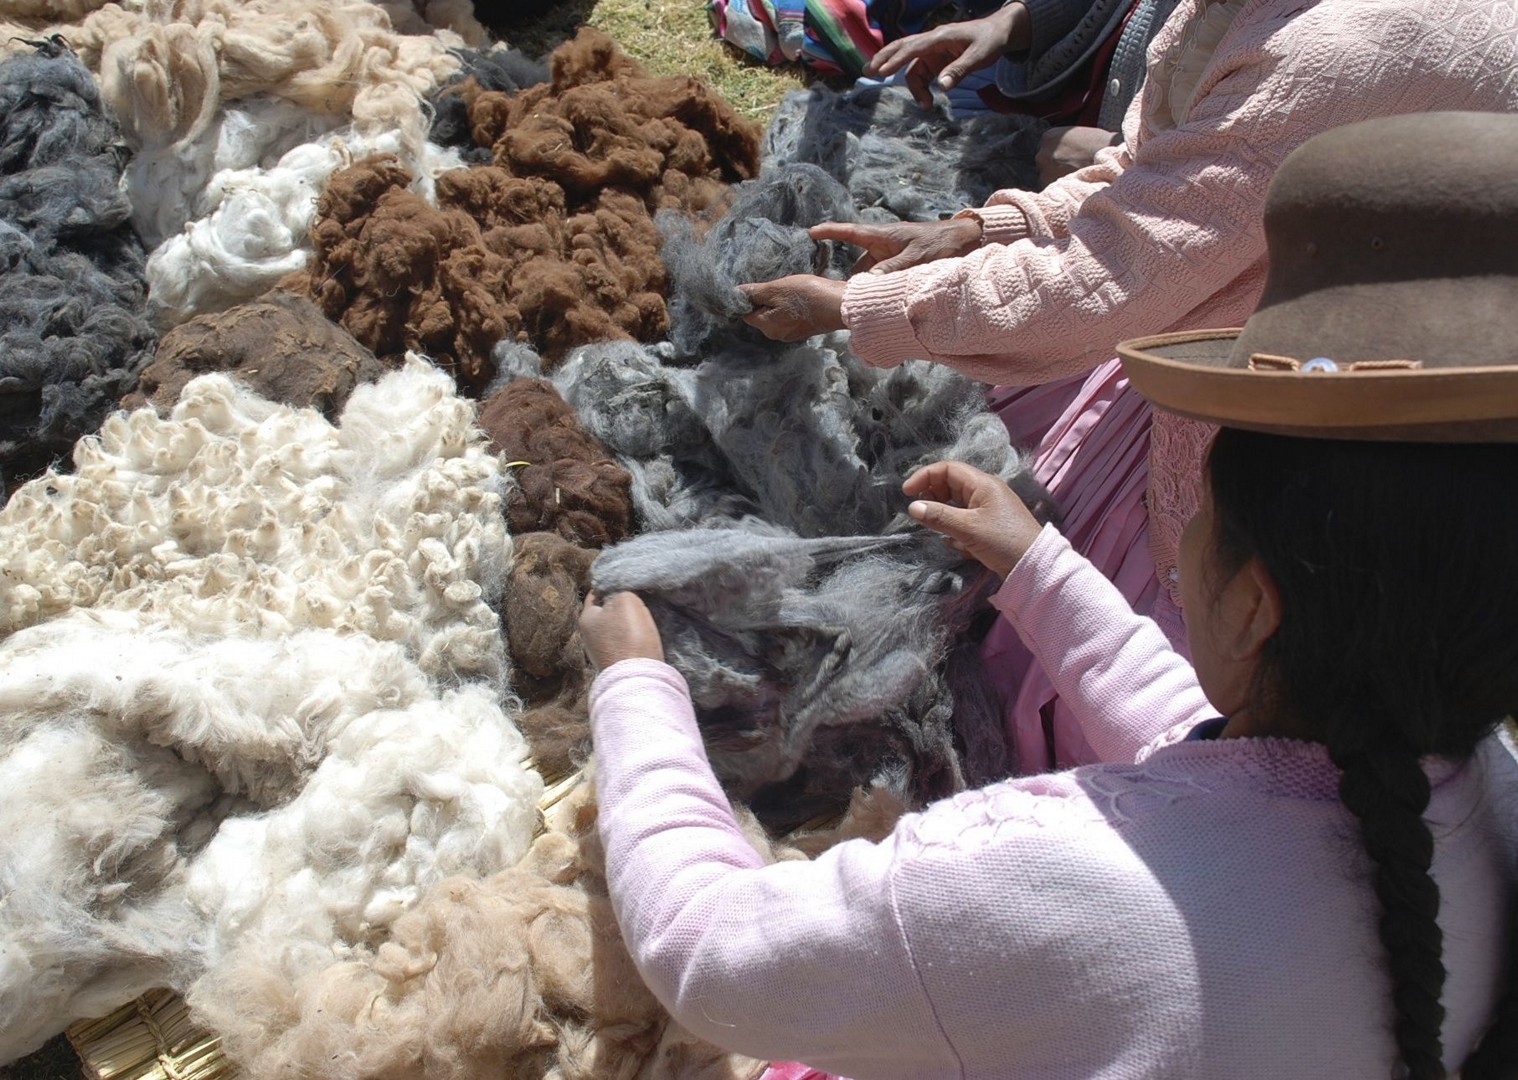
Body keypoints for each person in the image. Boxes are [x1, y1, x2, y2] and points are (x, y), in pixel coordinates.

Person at [578, 113, 1518, 1078]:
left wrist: (638, 690)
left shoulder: (1042, 883)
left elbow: (712, 955)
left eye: (1199, 520)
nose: (1184, 540)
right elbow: (1223, 765)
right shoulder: (1479, 797)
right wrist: (1039, 567)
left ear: (1251, 603)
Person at [737, 0, 1518, 773]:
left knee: (1259, 656)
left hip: (1323, 425)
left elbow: (1115, 278)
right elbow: (1154, 169)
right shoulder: (1255, 16)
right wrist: (984, 230)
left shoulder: (1332, 54)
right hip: (1259, 345)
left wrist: (852, 308)